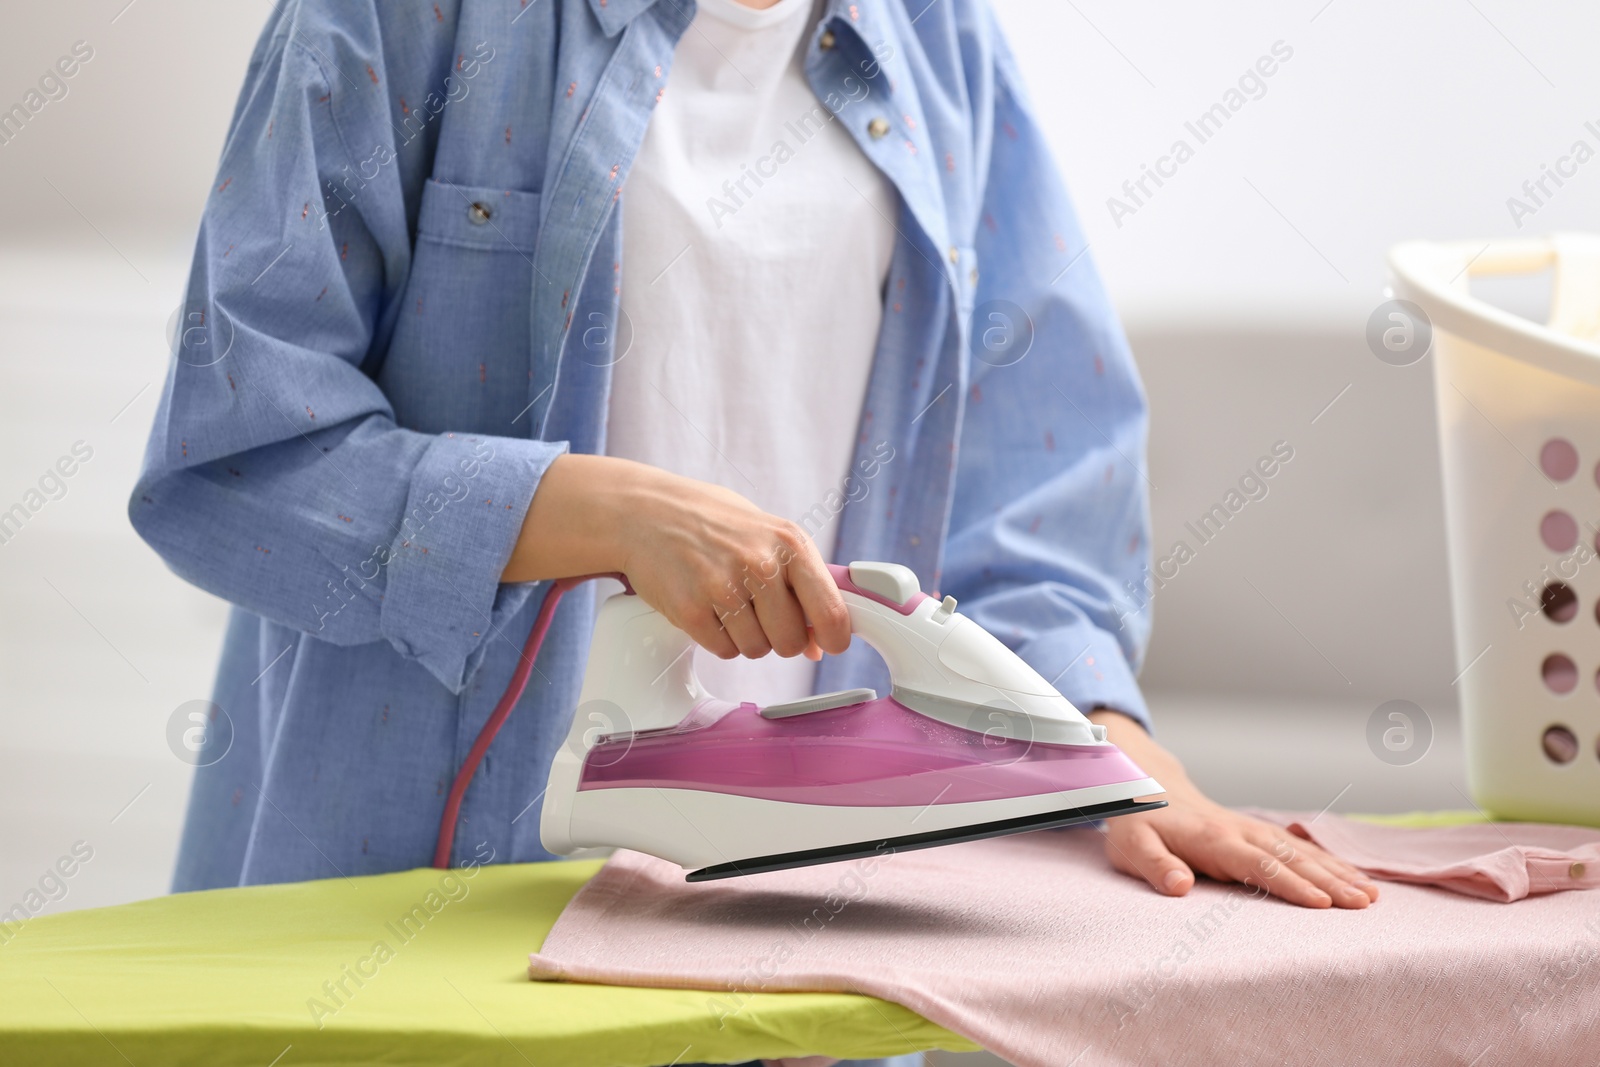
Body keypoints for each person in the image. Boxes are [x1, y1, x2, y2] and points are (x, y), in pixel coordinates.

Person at [134, 0, 1377, 1060]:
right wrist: (596, 512)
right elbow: (235, 450)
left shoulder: (933, 39)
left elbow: (1034, 464)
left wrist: (1101, 747)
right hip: (413, 912)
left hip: (792, 938)